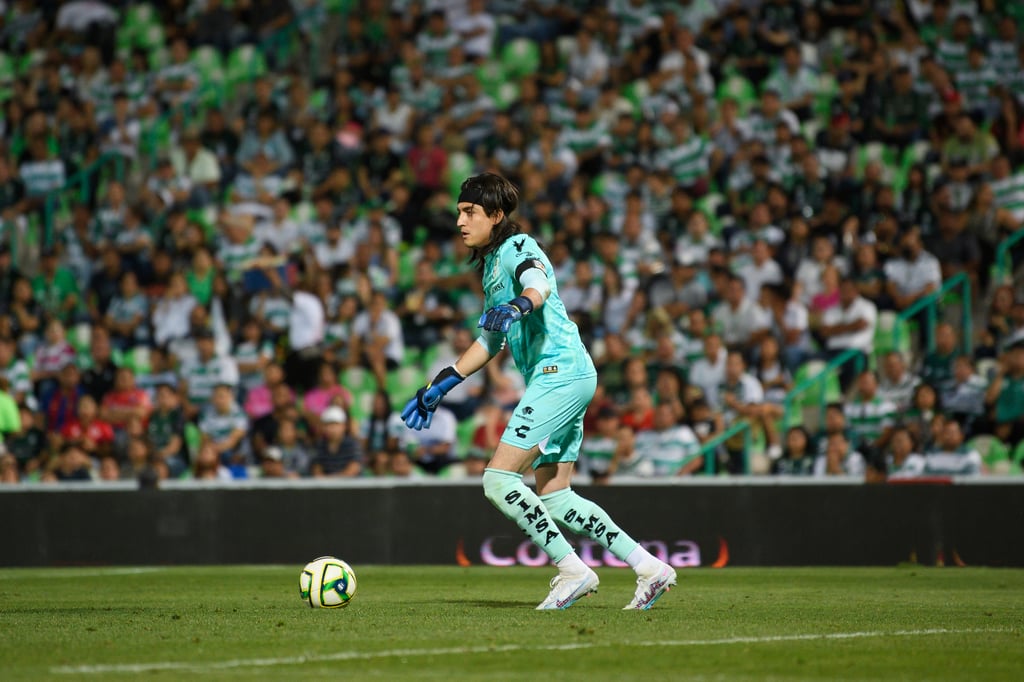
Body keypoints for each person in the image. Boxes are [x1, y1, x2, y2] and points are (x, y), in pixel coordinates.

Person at [401, 173, 676, 610]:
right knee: (558, 497)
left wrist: (520, 304)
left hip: (559, 373)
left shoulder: (518, 246)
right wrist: (441, 383)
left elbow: (539, 285)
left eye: (469, 212)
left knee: (497, 479)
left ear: (495, 215)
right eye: (458, 212)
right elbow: (491, 340)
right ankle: (650, 568)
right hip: (566, 375)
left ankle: (572, 570)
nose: (459, 221)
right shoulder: (492, 265)